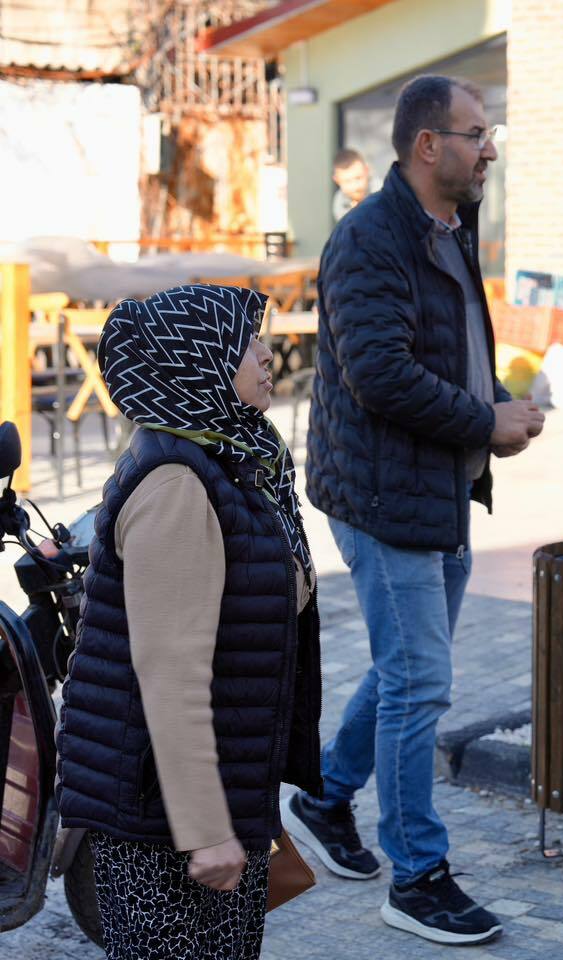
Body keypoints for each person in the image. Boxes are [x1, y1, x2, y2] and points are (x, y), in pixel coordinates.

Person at [286, 74, 543, 946]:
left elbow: (449, 347)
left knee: (406, 669)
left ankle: (325, 798)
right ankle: (417, 874)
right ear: (427, 145)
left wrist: (498, 399)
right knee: (420, 680)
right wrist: (485, 420)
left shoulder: (448, 224)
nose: (490, 148)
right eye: (476, 134)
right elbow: (381, 375)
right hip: (383, 495)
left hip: (438, 488)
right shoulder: (369, 239)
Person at [55, 284, 322, 959]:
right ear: (196, 364)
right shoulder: (177, 484)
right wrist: (204, 828)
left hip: (201, 797)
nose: (267, 355)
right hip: (159, 818)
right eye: (247, 345)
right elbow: (169, 674)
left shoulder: (230, 458)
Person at [332, 148, 372, 221]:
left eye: (358, 178)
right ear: (337, 181)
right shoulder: (340, 201)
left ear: (367, 171)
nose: (355, 186)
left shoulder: (380, 189)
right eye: (348, 181)